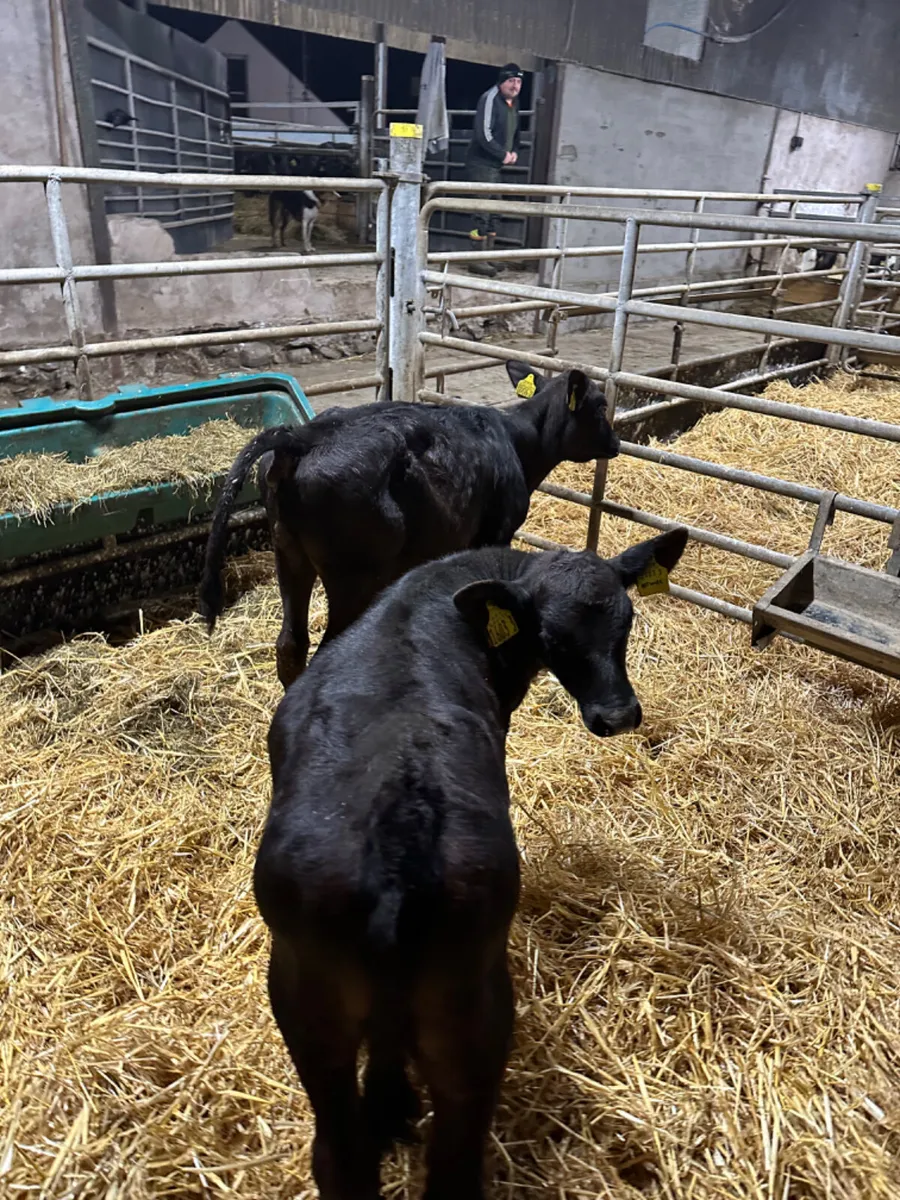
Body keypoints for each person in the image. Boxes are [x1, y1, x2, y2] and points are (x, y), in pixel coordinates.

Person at [464, 63, 522, 277]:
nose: (515, 86)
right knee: (482, 211)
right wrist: (502, 153)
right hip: (481, 163)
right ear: (502, 82)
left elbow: (516, 132)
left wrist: (514, 151)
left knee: (494, 210)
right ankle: (475, 259)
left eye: (518, 82)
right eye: (511, 81)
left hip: (495, 165)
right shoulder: (490, 98)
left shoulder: (513, 104)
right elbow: (483, 133)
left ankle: (487, 255)